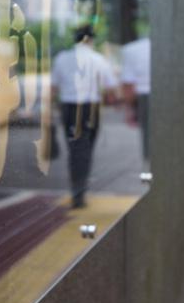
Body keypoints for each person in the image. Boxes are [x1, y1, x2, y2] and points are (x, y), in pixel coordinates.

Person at [52, 25, 118, 208]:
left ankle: (78, 190)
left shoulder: (61, 58)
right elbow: (111, 89)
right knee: (85, 150)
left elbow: (53, 88)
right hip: (91, 108)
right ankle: (79, 193)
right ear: (90, 40)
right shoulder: (98, 59)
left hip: (68, 108)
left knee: (75, 149)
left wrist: (48, 111)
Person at [120, 36, 150, 164]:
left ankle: (149, 170)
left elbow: (128, 83)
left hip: (144, 97)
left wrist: (129, 110)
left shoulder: (131, 49)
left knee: (148, 138)